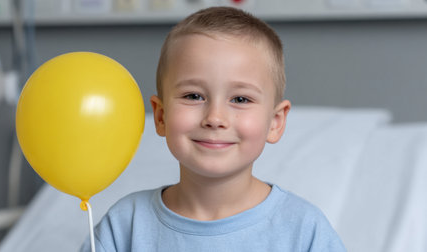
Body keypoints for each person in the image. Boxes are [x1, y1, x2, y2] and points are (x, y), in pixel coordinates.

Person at [82, 6, 346, 252]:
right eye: (193, 96)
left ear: (275, 122)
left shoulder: (303, 229)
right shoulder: (124, 225)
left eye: (240, 99)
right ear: (161, 116)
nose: (215, 118)